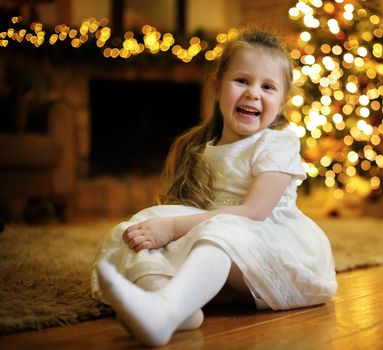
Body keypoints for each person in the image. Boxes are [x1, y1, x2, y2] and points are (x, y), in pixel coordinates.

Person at [91, 28, 338, 347]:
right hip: (227, 263)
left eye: (267, 86)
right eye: (242, 81)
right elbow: (194, 212)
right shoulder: (200, 148)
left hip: (274, 254)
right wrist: (164, 227)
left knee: (217, 231)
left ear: (280, 104)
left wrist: (171, 228)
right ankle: (172, 302)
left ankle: (163, 312)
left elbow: (253, 213)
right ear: (217, 87)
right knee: (141, 224)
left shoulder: (279, 143)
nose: (253, 93)